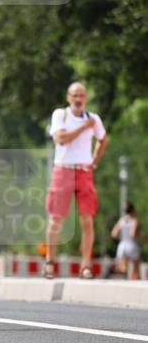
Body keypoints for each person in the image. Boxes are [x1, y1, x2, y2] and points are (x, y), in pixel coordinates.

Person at [43, 82, 106, 279]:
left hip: (83, 171)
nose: (78, 99)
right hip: (63, 169)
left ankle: (86, 265)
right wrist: (83, 128)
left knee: (87, 220)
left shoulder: (93, 119)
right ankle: (50, 261)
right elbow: (61, 139)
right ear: (68, 98)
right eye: (74, 96)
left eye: (81, 96)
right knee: (56, 219)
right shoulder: (60, 115)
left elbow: (102, 139)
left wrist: (94, 161)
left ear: (85, 98)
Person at [111, 202, 141, 280]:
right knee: (136, 266)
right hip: (132, 244)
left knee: (124, 266)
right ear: (133, 211)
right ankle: (134, 281)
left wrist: (121, 237)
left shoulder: (121, 220)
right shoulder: (134, 221)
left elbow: (113, 233)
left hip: (122, 245)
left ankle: (121, 271)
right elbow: (132, 234)